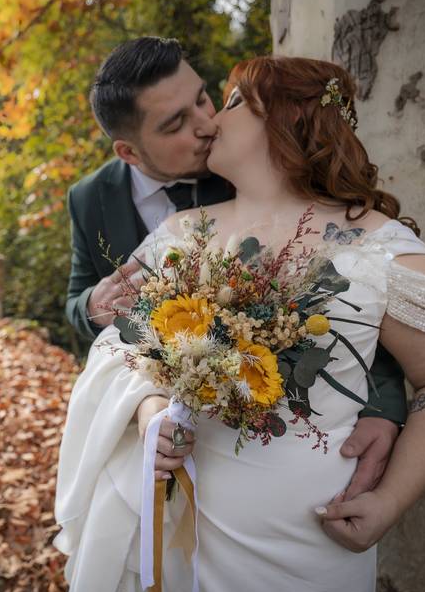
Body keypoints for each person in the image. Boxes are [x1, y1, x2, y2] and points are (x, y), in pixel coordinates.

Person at [54, 53, 425, 592]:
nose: (212, 119)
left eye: (232, 102)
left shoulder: (382, 251)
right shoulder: (177, 235)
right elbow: (120, 348)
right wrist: (146, 411)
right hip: (179, 522)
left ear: (285, 119)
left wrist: (391, 498)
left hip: (309, 539)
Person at [64, 38, 406, 505]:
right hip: (164, 437)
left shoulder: (251, 157)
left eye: (202, 98)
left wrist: (384, 406)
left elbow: (353, 290)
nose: (207, 123)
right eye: (176, 123)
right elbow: (78, 301)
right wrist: (95, 306)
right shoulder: (90, 199)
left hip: (286, 456)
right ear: (129, 151)